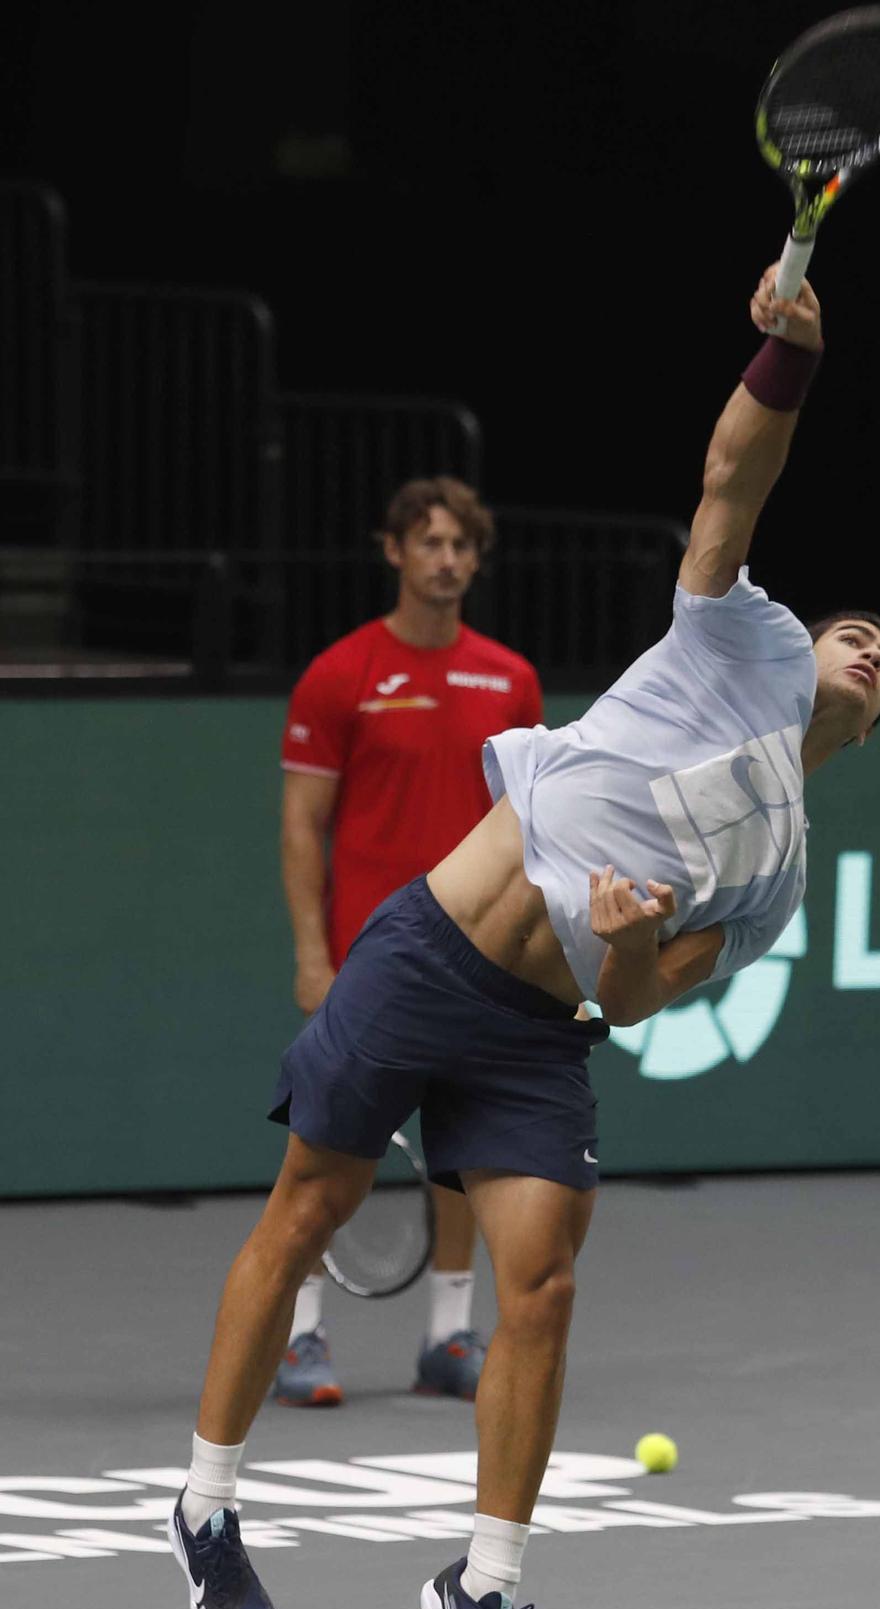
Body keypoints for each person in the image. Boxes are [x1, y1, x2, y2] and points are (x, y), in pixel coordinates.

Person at [168, 264, 880, 1609]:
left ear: (872, 720)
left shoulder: (771, 877)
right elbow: (729, 477)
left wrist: (625, 946)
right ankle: (203, 1507)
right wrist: (784, 365)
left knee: (544, 1287)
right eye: (857, 633)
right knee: (305, 1210)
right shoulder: (737, 639)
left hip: (536, 1033)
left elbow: (634, 1005)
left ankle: (485, 1590)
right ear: (806, 646)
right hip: (428, 945)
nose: (869, 652)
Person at [278, 477, 542, 1406]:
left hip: (480, 957)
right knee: (329, 1151)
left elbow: (528, 828)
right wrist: (315, 955)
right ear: (392, 551)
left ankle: (447, 1337)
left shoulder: (509, 679)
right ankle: (300, 1336)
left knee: (462, 1152)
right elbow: (301, 826)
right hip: (368, 958)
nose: (445, 560)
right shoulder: (340, 674)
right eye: (427, 543)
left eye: (461, 546)